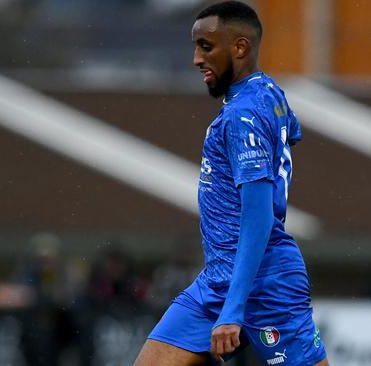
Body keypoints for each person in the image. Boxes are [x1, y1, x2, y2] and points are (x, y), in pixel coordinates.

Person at [133, 2, 328, 365]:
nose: (196, 59)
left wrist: (234, 310)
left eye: (206, 46)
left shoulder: (243, 115)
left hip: (265, 281)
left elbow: (258, 218)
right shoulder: (267, 93)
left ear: (239, 48)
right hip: (218, 277)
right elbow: (291, 133)